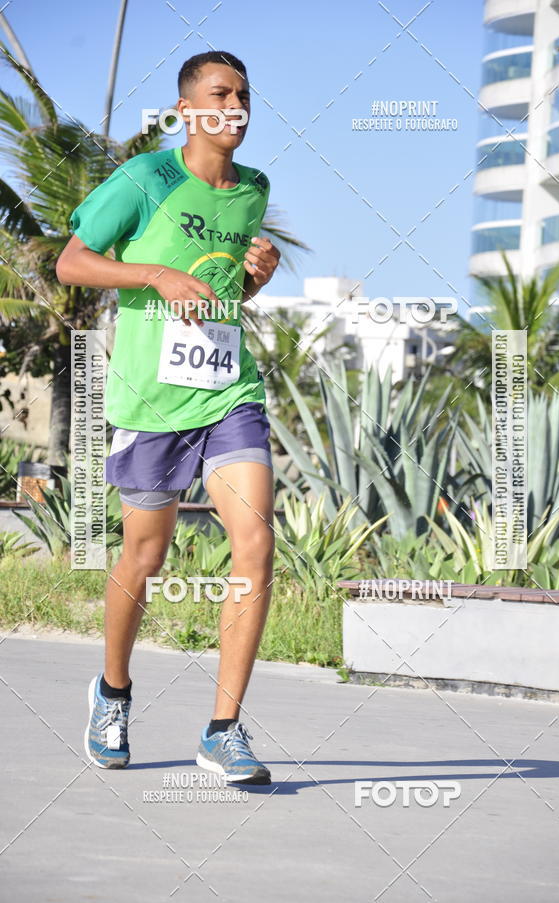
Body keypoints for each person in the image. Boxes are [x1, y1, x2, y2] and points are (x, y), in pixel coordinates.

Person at [56, 50, 280, 785]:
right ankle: (112, 692)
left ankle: (223, 729)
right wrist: (153, 272)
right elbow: (73, 262)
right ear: (188, 109)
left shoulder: (253, 190)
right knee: (144, 559)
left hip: (229, 394)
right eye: (221, 93)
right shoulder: (143, 180)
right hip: (152, 401)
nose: (235, 105)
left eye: (244, 94)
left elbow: (220, 297)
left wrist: (252, 281)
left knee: (254, 541)